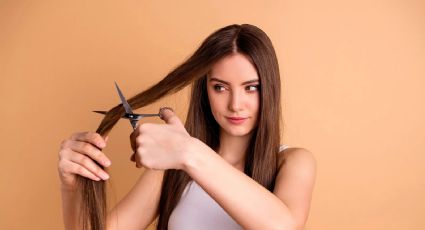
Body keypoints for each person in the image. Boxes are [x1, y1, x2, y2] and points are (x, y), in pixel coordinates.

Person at [58, 24, 316, 230]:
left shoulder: (293, 162)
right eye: (220, 87)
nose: (236, 104)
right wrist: (71, 187)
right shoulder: (174, 167)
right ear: (205, 91)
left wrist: (189, 152)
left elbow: (282, 226)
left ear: (269, 89)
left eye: (251, 88)